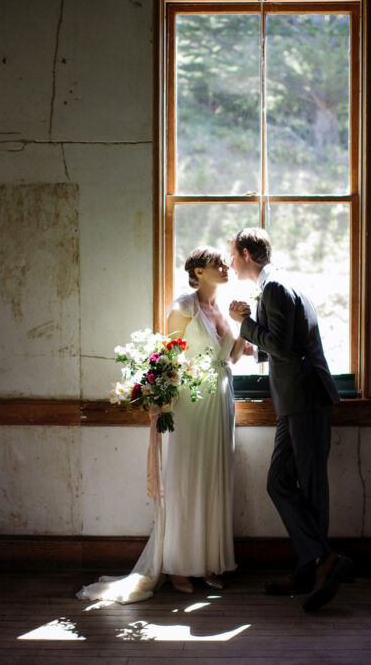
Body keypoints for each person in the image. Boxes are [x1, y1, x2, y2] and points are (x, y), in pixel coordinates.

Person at [78, 246, 248, 604]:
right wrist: (157, 394)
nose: (223, 266)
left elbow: (231, 357)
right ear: (197, 272)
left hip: (221, 400)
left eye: (223, 262)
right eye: (215, 263)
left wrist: (243, 325)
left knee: (214, 480)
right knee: (185, 481)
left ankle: (208, 563)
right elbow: (169, 361)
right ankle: (178, 566)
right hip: (190, 404)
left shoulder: (224, 309)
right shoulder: (183, 308)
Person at [227, 227, 350, 612]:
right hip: (291, 400)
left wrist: (244, 322)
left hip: (306, 398)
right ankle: (316, 559)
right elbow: (285, 345)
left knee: (311, 488)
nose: (230, 261)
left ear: (247, 253)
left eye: (232, 254)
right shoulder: (279, 284)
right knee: (279, 482)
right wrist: (253, 345)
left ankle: (312, 569)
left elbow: (281, 345)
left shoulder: (276, 287)